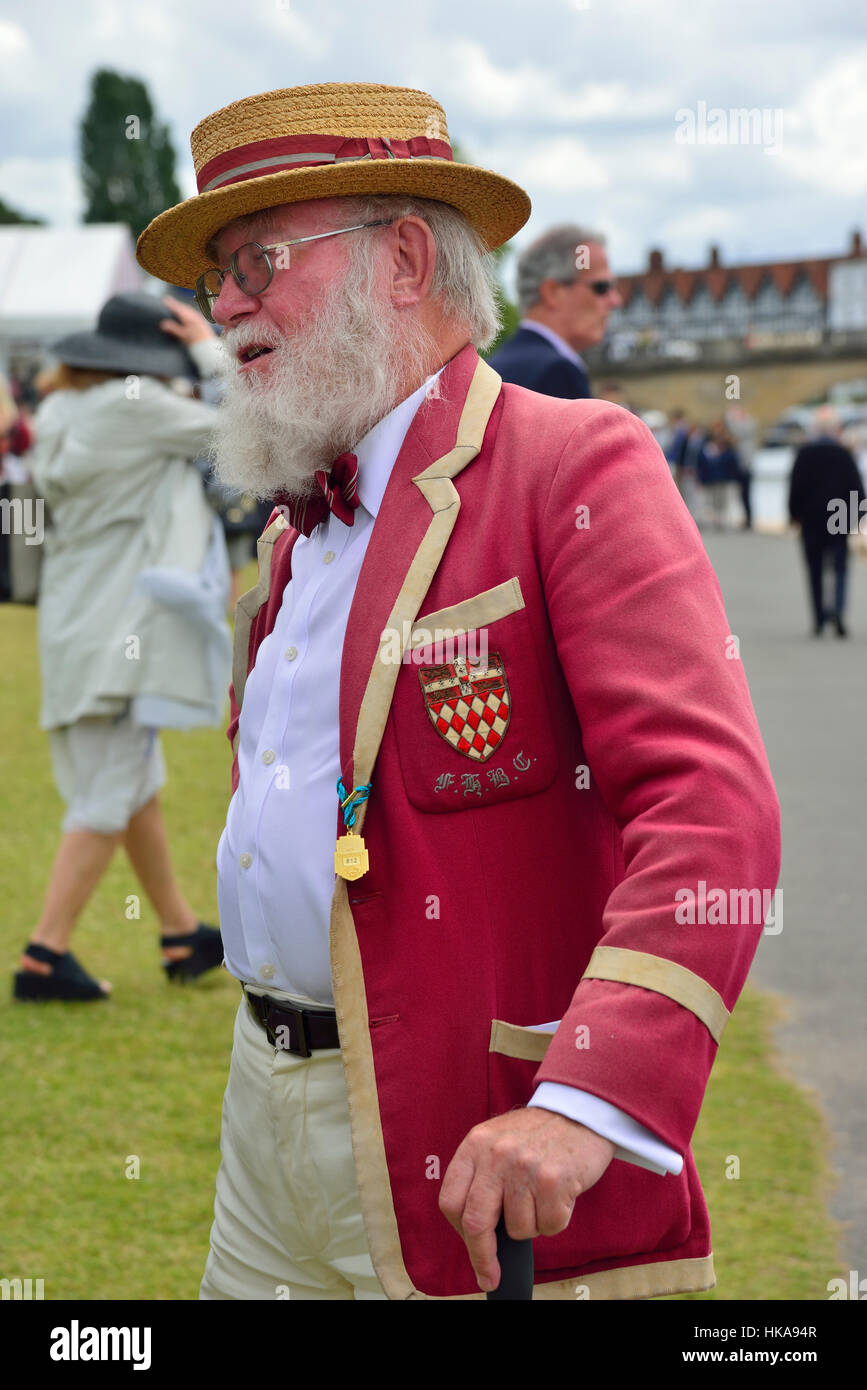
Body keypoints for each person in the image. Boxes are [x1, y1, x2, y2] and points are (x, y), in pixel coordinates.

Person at [136, 81, 780, 1301]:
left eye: (258, 258)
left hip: (496, 1148)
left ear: (405, 258)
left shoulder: (574, 462)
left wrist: (586, 1102)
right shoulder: (296, 527)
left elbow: (713, 815)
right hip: (260, 1119)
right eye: (218, 272)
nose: (223, 305)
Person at [14, 293, 232, 1002]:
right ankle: (43, 956)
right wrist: (207, 349)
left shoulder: (59, 412)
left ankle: (178, 931)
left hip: (76, 620)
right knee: (107, 793)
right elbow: (249, 425)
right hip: (121, 630)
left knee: (132, 779)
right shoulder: (138, 408)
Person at [487, 224, 621, 398]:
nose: (615, 300)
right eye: (601, 287)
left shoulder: (492, 369)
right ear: (553, 292)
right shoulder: (557, 373)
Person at [788, 405, 866, 637]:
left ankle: (819, 618)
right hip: (839, 518)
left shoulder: (804, 453)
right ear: (835, 429)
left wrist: (793, 515)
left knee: (815, 570)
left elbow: (796, 486)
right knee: (840, 567)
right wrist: (859, 516)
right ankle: (838, 610)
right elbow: (856, 487)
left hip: (811, 519)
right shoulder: (844, 454)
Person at [697, 419, 741, 531]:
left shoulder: (728, 445)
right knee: (711, 502)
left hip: (724, 477)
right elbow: (701, 462)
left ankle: (723, 521)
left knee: (723, 501)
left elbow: (734, 461)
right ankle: (714, 521)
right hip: (710, 478)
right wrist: (701, 478)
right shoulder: (706, 444)